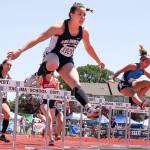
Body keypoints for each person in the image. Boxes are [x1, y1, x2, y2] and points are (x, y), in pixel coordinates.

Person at [7, 2, 106, 119]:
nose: (83, 17)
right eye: (80, 14)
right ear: (71, 14)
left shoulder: (84, 31)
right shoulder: (59, 27)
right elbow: (39, 38)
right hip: (51, 56)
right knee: (54, 62)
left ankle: (89, 109)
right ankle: (36, 75)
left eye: (84, 15)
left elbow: (88, 47)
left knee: (76, 83)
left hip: (66, 61)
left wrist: (98, 60)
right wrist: (20, 50)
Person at [109, 45, 150, 109]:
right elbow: (120, 71)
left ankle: (138, 98)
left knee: (148, 83)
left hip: (132, 85)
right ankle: (141, 104)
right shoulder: (133, 66)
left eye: (149, 63)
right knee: (133, 93)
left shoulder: (143, 71)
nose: (148, 64)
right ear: (141, 61)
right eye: (147, 62)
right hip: (123, 86)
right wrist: (112, 78)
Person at [0, 59, 12, 142]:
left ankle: (2, 135)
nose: (9, 67)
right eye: (8, 64)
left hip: (3, 99)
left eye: (11, 65)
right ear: (3, 64)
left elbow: (13, 85)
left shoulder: (8, 76)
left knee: (7, 114)